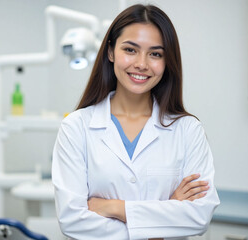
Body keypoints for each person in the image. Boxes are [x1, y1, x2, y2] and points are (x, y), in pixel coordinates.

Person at [52, 4, 220, 240]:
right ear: (110, 52)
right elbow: (72, 221)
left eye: (155, 54)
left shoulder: (188, 130)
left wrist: (114, 208)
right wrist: (164, 216)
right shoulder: (76, 127)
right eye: (130, 50)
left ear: (166, 61)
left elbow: (199, 216)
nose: (142, 63)